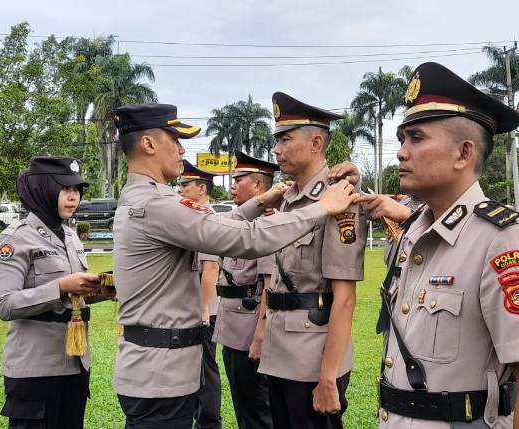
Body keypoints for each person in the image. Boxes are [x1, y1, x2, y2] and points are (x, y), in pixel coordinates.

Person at [111, 103, 358, 428]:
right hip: (160, 372)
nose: (182, 150)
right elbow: (243, 239)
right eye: (175, 139)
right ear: (149, 144)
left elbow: (216, 224)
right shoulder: (157, 204)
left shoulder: (150, 199)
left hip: (161, 368)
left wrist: (258, 203)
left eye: (286, 139)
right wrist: (321, 208)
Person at [372, 62, 519, 429]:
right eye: (401, 140)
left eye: (417, 138)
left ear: (463, 153)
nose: (401, 153)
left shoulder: (502, 240)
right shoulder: (413, 231)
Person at [256, 92, 368, 429]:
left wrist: (329, 377)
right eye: (276, 140)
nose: (276, 149)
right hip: (279, 352)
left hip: (312, 359)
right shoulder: (288, 199)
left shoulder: (339, 200)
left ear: (316, 141)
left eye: (285, 139)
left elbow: (344, 298)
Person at [0, 156, 112, 429]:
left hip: (75, 362)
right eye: (65, 189)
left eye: (77, 190)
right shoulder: (16, 238)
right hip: (35, 368)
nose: (73, 197)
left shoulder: (70, 235)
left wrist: (103, 289)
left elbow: (75, 295)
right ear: (43, 189)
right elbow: (4, 305)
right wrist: (59, 287)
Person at [212, 151, 278, 429]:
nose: (233, 185)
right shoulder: (240, 224)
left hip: (250, 332)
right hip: (233, 329)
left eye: (240, 179)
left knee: (257, 412)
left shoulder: (267, 225)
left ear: (259, 187)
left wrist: (260, 338)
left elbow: (268, 284)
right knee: (244, 407)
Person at [177, 159, 223, 429]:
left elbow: (210, 268)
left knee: (205, 368)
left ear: (201, 188)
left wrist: (205, 309)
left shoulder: (206, 219)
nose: (180, 189)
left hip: (204, 308)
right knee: (193, 366)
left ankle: (208, 422)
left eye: (185, 184)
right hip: (192, 306)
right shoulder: (192, 216)